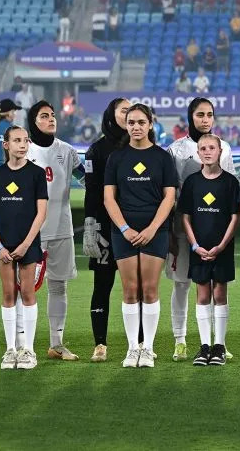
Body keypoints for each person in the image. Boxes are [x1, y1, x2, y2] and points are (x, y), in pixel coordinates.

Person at [103, 103, 179, 368]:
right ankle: (132, 348)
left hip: (154, 231)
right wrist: (125, 229)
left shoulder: (161, 157)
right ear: (126, 125)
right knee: (130, 289)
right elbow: (109, 198)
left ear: (150, 125)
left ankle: (147, 348)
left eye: (141, 122)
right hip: (122, 231)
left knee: (149, 289)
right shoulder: (116, 158)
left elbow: (169, 197)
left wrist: (151, 229)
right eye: (131, 122)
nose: (136, 127)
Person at [166, 98, 235, 361]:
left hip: (214, 228)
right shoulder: (176, 150)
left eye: (209, 115)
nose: (205, 119)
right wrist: (171, 229)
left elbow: (228, 188)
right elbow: (172, 192)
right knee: (183, 283)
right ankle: (180, 339)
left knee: (216, 285)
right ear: (190, 117)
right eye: (199, 114)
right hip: (185, 228)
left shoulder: (224, 147)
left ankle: (218, 343)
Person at [0, 125, 48, 369]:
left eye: (25, 141)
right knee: (9, 294)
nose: (22, 145)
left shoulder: (36, 174)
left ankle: (28, 350)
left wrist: (25, 244)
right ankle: (10, 350)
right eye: (17, 140)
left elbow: (41, 213)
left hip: (27, 243)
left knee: (28, 293)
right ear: (6, 144)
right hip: (4, 245)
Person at [26, 101, 84, 362]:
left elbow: (87, 179)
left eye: (52, 115)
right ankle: (21, 344)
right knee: (24, 288)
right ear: (33, 121)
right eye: (44, 116)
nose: (51, 119)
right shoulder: (25, 149)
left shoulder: (67, 151)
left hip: (61, 229)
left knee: (58, 287)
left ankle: (56, 344)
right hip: (30, 233)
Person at [179, 134, 239, 366]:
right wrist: (195, 245)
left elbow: (235, 217)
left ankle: (219, 346)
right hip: (199, 248)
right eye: (202, 148)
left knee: (219, 294)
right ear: (198, 153)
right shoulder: (193, 182)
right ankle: (204, 346)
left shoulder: (230, 182)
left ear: (220, 151)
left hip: (221, 247)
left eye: (211, 147)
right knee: (203, 295)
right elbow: (185, 216)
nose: (207, 151)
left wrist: (222, 245)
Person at [82, 98, 131, 362]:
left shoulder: (142, 147)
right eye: (124, 110)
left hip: (134, 227)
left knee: (135, 286)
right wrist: (90, 224)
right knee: (102, 284)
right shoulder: (96, 150)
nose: (129, 114)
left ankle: (140, 341)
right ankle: (100, 343)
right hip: (104, 226)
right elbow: (91, 191)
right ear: (111, 115)